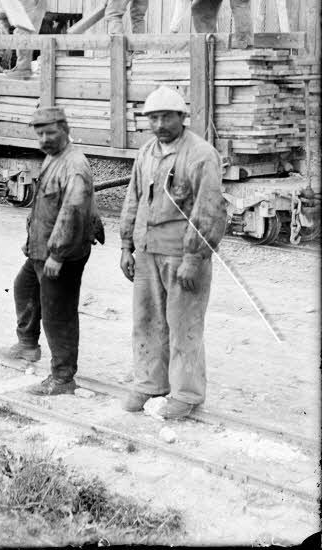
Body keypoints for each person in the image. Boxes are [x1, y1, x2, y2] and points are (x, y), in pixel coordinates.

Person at [119, 86, 228, 420]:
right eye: (153, 117)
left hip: (183, 257)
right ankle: (150, 384)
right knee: (147, 322)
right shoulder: (147, 152)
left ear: (183, 117)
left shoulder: (201, 154)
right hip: (148, 252)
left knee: (184, 326)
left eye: (167, 116)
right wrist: (126, 245)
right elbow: (133, 199)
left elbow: (209, 209)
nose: (160, 123)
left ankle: (187, 394)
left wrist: (194, 259)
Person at [0, 108, 103, 395]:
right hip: (41, 248)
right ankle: (28, 345)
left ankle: (62, 377)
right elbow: (44, 207)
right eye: (39, 134)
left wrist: (57, 254)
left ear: (65, 130)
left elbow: (72, 212)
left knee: (58, 313)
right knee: (24, 287)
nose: (44, 139)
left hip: (62, 253)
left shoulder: (74, 165)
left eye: (50, 133)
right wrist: (32, 242)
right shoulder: (53, 157)